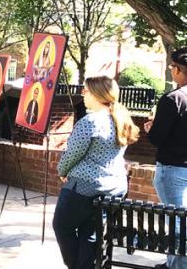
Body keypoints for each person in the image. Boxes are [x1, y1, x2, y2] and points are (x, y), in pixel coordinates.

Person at [53, 76, 139, 269]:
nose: (83, 95)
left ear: (97, 94)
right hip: (114, 187)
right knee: (90, 233)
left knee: (62, 227)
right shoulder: (121, 119)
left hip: (84, 186)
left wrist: (62, 171)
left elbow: (71, 154)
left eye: (86, 91)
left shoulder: (90, 121)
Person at [144, 47, 187, 269]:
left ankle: (177, 265)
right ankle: (174, 262)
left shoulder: (173, 99)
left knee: (178, 221)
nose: (171, 71)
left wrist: (151, 128)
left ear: (178, 69)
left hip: (173, 170)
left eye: (172, 67)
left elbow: (158, 139)